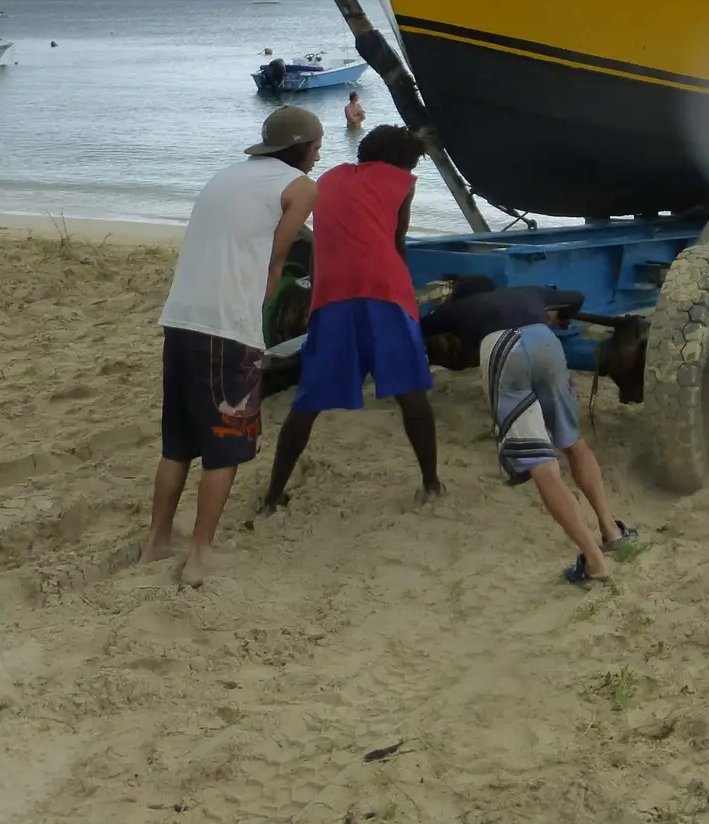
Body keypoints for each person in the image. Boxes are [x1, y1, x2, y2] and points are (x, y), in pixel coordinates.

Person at [144, 106, 322, 585]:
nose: (320, 154)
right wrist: (255, 323)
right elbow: (276, 261)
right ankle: (200, 554)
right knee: (226, 444)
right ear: (302, 148)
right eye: (317, 146)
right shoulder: (301, 187)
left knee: (178, 441)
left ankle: (157, 540)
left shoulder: (227, 175)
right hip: (226, 327)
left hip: (180, 318)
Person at [263, 125, 441, 510]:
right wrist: (409, 300)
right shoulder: (402, 183)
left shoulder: (327, 179)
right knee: (411, 392)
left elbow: (327, 239)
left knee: (307, 401)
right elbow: (397, 242)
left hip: (332, 295)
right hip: (384, 291)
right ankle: (431, 483)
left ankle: (273, 494)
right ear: (404, 162)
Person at [420, 278, 636, 584]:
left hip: (503, 350)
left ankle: (594, 561)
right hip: (545, 341)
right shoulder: (525, 291)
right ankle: (612, 532)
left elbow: (417, 327)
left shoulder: (461, 308)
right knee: (573, 442)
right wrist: (558, 317)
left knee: (542, 466)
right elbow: (576, 295)